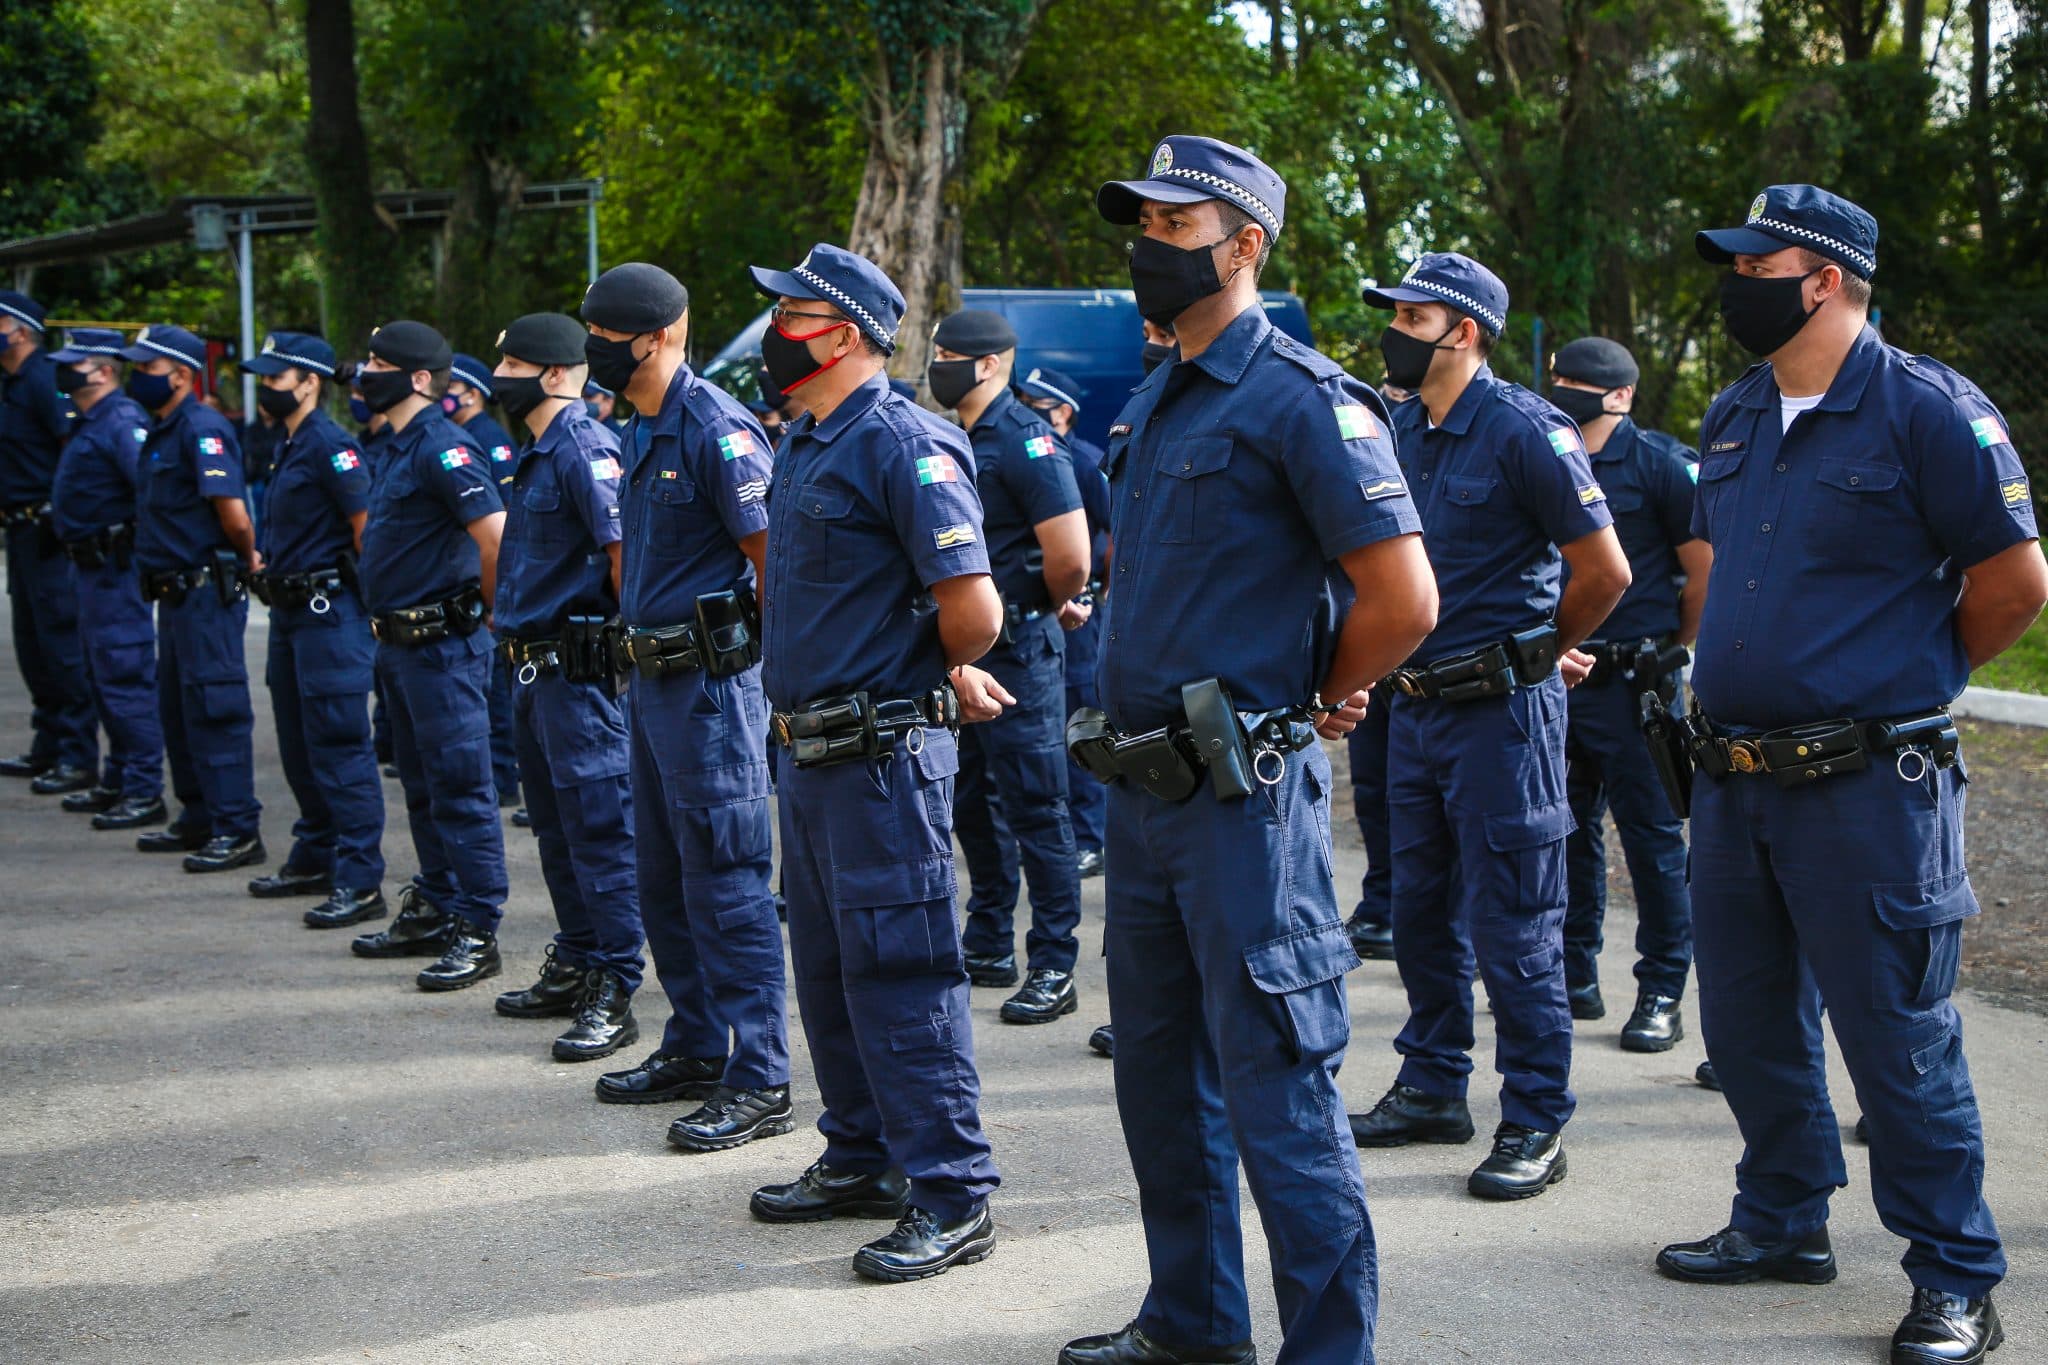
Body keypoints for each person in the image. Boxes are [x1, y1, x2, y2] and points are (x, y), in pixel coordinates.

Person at [1061, 135, 1437, 1365]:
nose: (1148, 248)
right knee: (1161, 1086)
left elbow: (1402, 597)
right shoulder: (1159, 390)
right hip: (1144, 795)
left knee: (1278, 1089)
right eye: (1145, 225)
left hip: (1240, 803)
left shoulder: (1299, 395)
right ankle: (1192, 1322)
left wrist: (1319, 702)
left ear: (1244, 246)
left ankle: (1328, 1351)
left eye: (1174, 228)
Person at [1655, 184, 2045, 1365]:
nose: (1733, 284)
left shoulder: (1926, 410)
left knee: (1897, 1040)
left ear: (1821, 278)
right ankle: (1779, 1222)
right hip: (1731, 782)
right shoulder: (1731, 414)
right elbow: (1728, 578)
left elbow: (2013, 582)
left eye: (1753, 265)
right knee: (1749, 1021)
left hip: (1867, 788)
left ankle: (1953, 1280)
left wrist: (1894, 684)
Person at [745, 242, 1007, 1283]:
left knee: (902, 975)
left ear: (842, 332)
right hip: (811, 757)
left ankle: (951, 1192)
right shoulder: (809, 438)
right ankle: (860, 1153)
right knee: (828, 971)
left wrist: (918, 675)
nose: (773, 334)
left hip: (880, 758)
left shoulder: (906, 442)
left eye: (789, 316)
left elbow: (974, 614)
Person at [1348, 252, 1631, 1203]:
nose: (1393, 330)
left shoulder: (1524, 429)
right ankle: (1432, 1084)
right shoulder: (1399, 431)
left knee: (1516, 924)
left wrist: (1545, 648)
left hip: (1501, 715)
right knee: (1419, 912)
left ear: (1462, 332)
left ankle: (1536, 1118)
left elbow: (1606, 572)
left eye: (1412, 318)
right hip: (1412, 710)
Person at [578, 263, 794, 1149]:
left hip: (710, 691)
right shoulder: (636, 427)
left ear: (660, 334)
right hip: (652, 687)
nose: (591, 344)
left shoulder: (716, 427)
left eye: (605, 330)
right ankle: (698, 1042)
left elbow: (774, 561)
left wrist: (775, 678)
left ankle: (762, 1073)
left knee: (727, 878)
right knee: (663, 876)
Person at [486, 312, 645, 1063]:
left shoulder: (586, 447)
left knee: (599, 832)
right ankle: (579, 955)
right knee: (554, 832)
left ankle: (615, 981)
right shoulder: (538, 451)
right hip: (531, 670)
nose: (501, 377)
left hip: (575, 675)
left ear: (554, 373)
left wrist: (617, 651)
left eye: (514, 364)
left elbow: (621, 554)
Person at [1547, 336, 1710, 1049]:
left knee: (1651, 840)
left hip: (1639, 683)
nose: (1562, 389)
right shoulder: (1548, 451)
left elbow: (1702, 569)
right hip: (1565, 675)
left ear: (1620, 395)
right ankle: (1574, 972)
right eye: (1556, 377)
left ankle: (1661, 990)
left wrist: (1674, 648)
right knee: (1567, 829)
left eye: (1578, 381)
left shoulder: (1660, 465)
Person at [931, 309, 1090, 1025]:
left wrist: (1035, 608)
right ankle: (990, 936)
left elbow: (1072, 557)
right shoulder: (946, 436)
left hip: (1020, 647)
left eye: (949, 354)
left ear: (990, 363)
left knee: (1037, 804)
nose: (938, 364)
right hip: (957, 652)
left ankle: (1054, 961)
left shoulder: (1027, 438)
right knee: (970, 800)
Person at [345, 321, 510, 991]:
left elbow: (495, 537)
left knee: (462, 788)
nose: (366, 369)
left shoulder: (445, 448)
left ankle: (478, 925)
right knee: (421, 785)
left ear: (418, 378)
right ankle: (438, 902)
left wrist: (492, 614)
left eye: (381, 361)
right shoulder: (394, 444)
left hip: (444, 645)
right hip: (400, 646)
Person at [240, 332, 386, 928]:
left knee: (340, 748)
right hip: (291, 615)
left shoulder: (331, 446)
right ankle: (315, 854)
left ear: (309, 384)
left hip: (331, 616)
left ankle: (358, 878)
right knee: (299, 745)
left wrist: (372, 608)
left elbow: (365, 529)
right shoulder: (289, 443)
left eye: (275, 380)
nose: (264, 389)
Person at [122, 325, 268, 872]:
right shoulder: (163, 428)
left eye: (148, 369)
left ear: (182, 375)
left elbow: (233, 515)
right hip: (173, 595)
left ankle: (236, 826)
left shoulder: (202, 428)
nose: (140, 379)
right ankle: (199, 815)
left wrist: (248, 555)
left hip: (205, 590)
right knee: (178, 708)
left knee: (215, 707)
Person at [46, 328, 165, 829]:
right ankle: (118, 778)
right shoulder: (89, 420)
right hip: (91, 571)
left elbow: (148, 491)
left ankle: (143, 787)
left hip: (115, 569)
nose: (66, 370)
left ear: (105, 370)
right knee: (101, 676)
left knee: (125, 676)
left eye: (78, 362)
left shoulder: (121, 420)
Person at [1018, 365, 1112, 880]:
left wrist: (1099, 596)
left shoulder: (1084, 461)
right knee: (1043, 728)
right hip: (1036, 610)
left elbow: (1116, 531)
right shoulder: (1025, 456)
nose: (1026, 412)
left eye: (1036, 405)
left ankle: (1090, 838)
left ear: (1063, 414)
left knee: (1081, 724)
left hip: (1079, 615)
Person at [0, 290, 95, 791]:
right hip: (17, 530)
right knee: (31, 644)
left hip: (47, 530)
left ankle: (78, 753)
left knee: (61, 643)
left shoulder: (42, 379)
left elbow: (70, 450)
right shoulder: (8, 383)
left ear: (19, 330)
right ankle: (49, 743)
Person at [447, 353, 523, 813]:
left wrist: (496, 595)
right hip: (476, 578)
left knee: (495, 689)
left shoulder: (488, 439)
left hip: (490, 582)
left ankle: (502, 774)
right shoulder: (463, 436)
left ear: (471, 393)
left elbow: (503, 522)